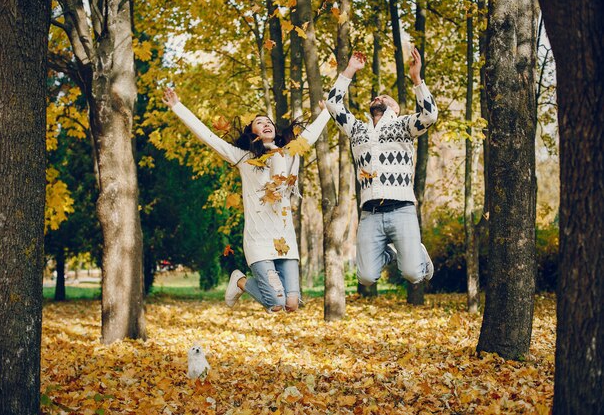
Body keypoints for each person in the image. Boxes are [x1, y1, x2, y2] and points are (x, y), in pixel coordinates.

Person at [162, 88, 330, 312]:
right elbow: (209, 138)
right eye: (259, 123)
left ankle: (247, 285)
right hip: (258, 241)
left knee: (292, 305)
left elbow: (313, 133)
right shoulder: (244, 158)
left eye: (268, 121)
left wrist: (328, 111)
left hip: (285, 239)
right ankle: (240, 280)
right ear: (253, 133)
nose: (266, 124)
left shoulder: (290, 153)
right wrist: (177, 107)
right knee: (277, 304)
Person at [325, 48, 438, 286]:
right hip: (370, 213)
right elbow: (333, 104)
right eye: (377, 97)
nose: (379, 98)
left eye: (386, 98)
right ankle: (389, 250)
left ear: (395, 109)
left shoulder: (404, 125)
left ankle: (417, 255)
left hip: (402, 210)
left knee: (413, 274)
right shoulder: (356, 128)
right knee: (365, 277)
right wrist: (350, 70)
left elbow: (429, 115)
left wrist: (417, 79)